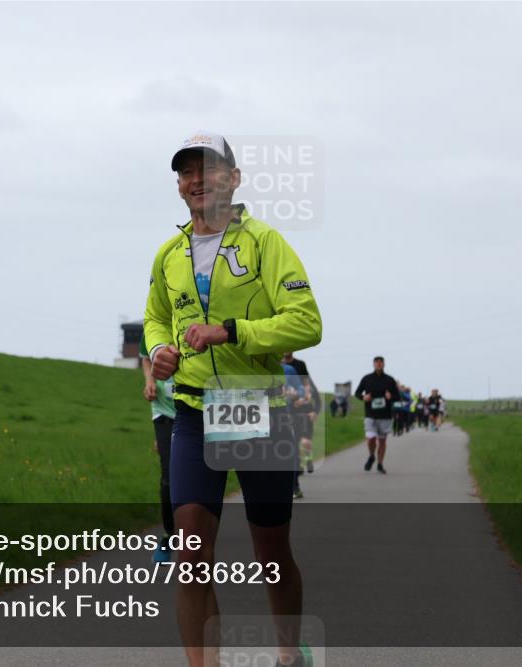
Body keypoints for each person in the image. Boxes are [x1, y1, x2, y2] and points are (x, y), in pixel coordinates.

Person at [144, 131, 322, 667]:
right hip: (194, 411)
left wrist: (231, 331)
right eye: (186, 172)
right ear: (179, 186)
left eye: (209, 168)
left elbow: (306, 321)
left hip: (257, 409)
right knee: (191, 551)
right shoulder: (169, 255)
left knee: (271, 553)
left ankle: (290, 653)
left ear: (235, 178)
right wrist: (158, 350)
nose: (197, 180)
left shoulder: (266, 243)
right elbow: (155, 317)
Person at [139, 335, 177, 562]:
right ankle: (169, 534)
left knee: (199, 473)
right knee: (169, 476)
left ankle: (197, 531)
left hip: (196, 407)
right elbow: (145, 358)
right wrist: (149, 381)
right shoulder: (155, 324)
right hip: (164, 408)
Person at [354, 356, 399, 474]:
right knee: (371, 438)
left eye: (381, 362)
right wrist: (364, 397)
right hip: (370, 414)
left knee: (382, 441)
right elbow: (357, 393)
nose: (379, 364)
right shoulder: (367, 379)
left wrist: (391, 397)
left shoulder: (390, 380)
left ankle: (380, 463)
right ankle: (371, 456)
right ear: (373, 364)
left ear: (384, 364)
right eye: (376, 362)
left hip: (385, 416)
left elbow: (398, 396)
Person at [282, 352, 318, 474]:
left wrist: (313, 410)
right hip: (288, 410)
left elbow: (311, 391)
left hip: (303, 411)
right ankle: (299, 466)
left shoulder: (297, 368)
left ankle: (306, 460)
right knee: (294, 441)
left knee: (304, 440)